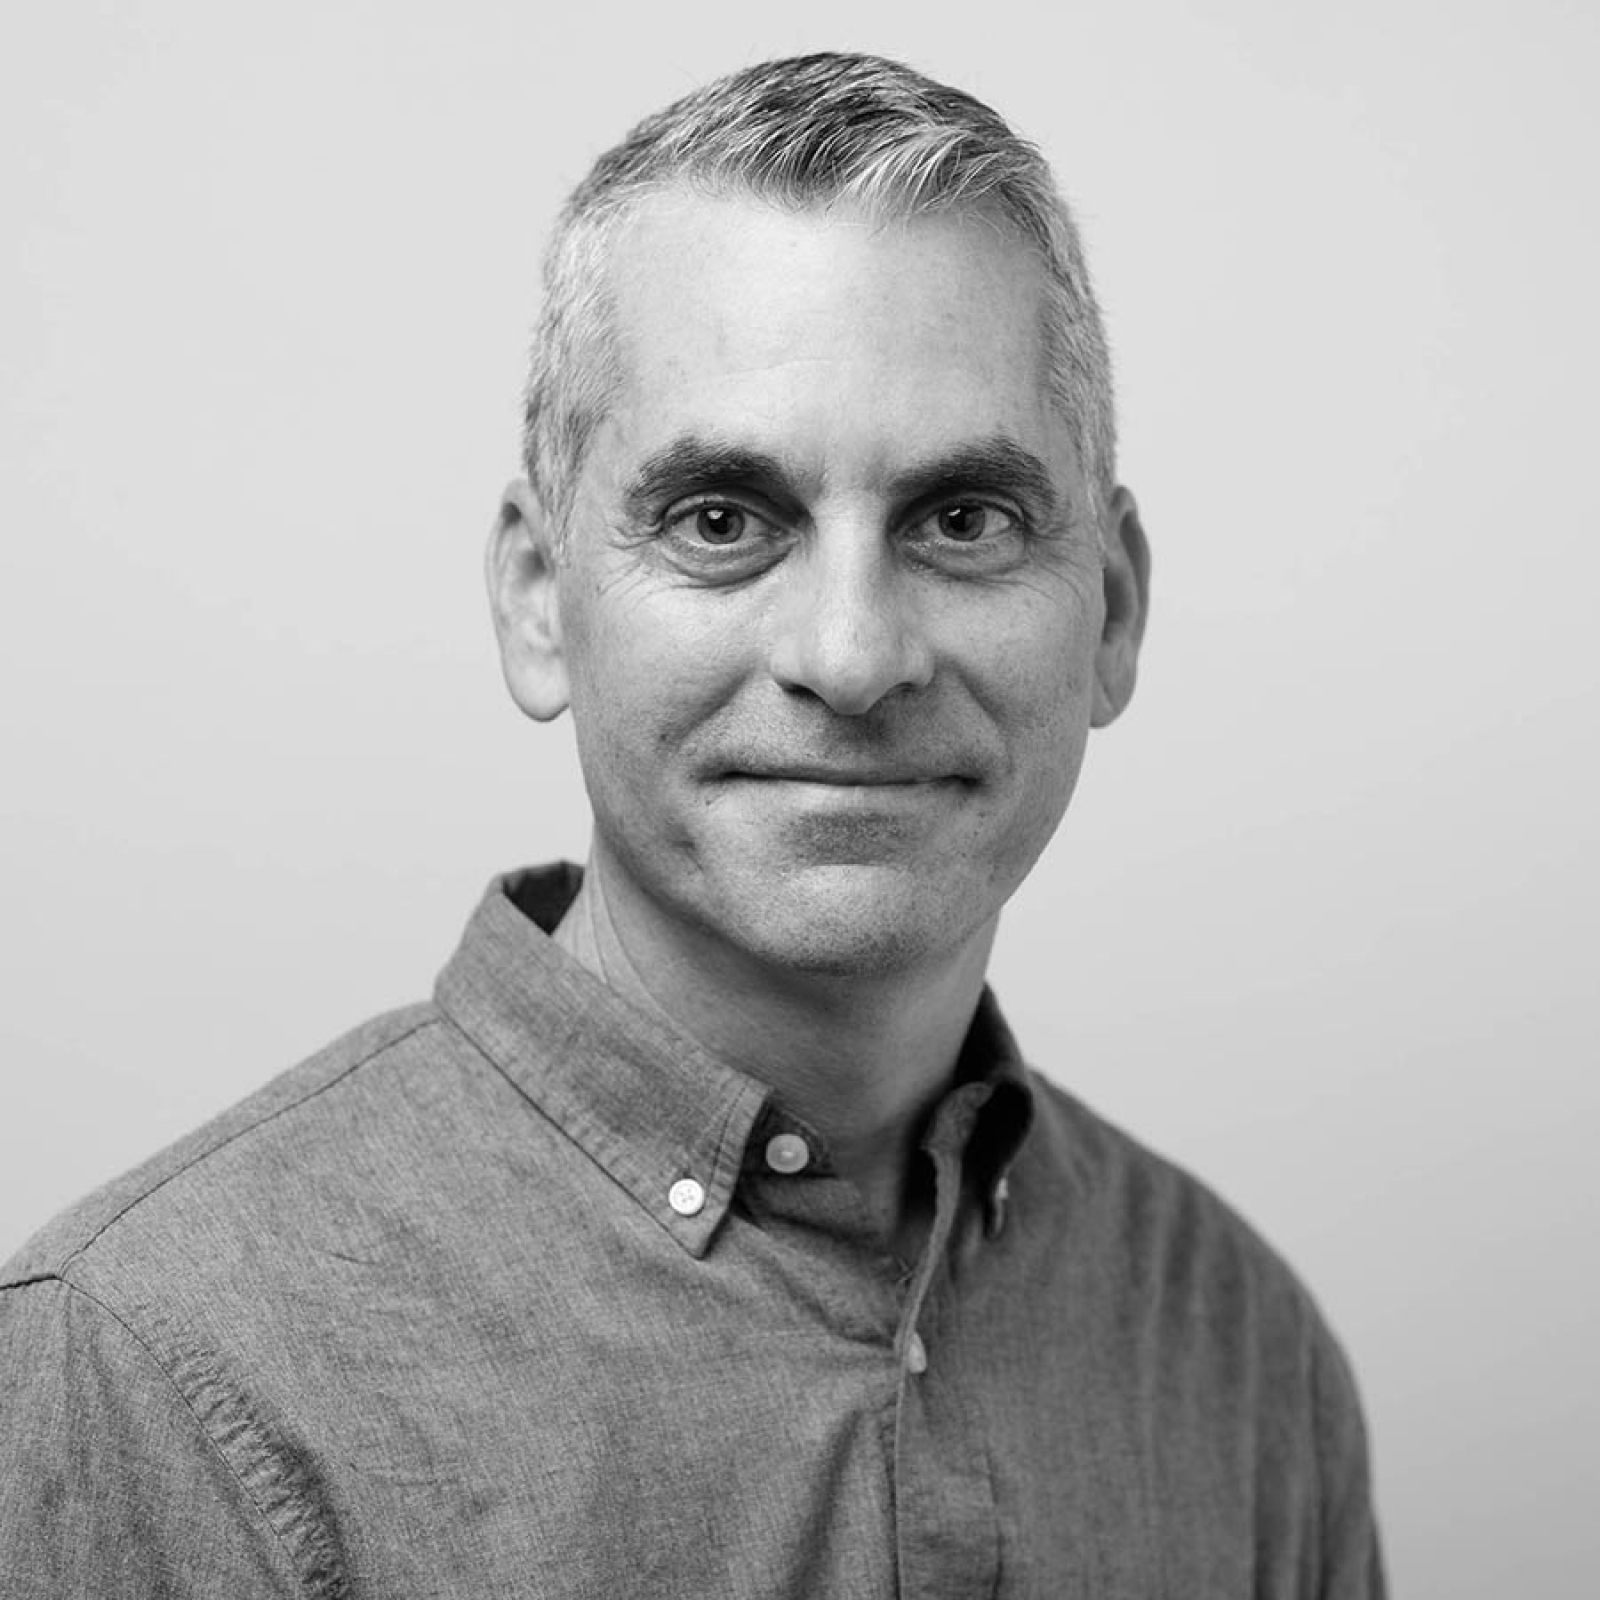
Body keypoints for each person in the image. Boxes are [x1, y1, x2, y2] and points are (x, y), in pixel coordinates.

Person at [0, 51, 1385, 1598]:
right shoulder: (147, 1372)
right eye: (723, 521)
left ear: (1113, 609)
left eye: (963, 520)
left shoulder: (1246, 1358)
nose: (852, 656)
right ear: (539, 600)